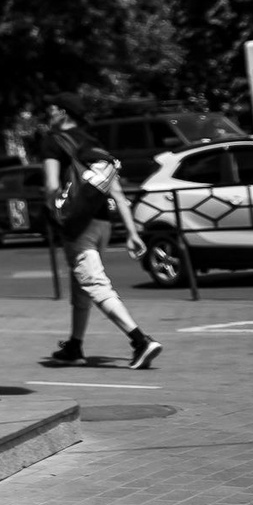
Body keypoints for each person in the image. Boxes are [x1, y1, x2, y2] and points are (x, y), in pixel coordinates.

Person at [47, 145, 162, 371]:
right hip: (103, 225)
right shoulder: (95, 152)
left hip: (80, 227)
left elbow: (51, 189)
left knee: (95, 284)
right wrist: (132, 232)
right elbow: (117, 194)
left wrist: (55, 217)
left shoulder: (56, 147)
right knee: (83, 285)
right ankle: (75, 346)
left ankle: (140, 341)